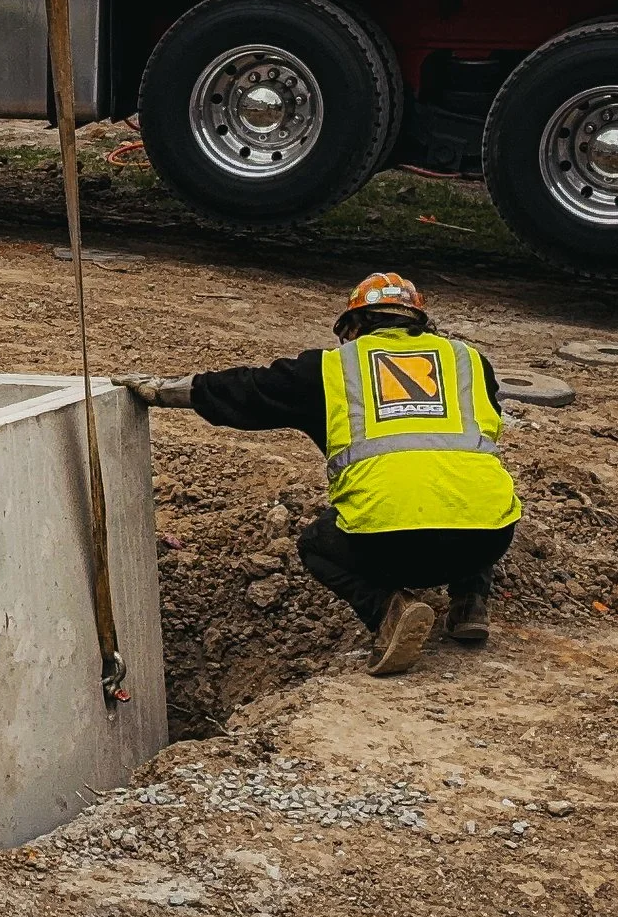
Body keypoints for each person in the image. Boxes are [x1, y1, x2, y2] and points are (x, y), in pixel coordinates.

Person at [117, 273, 522, 677]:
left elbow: (249, 389)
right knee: (470, 492)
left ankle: (388, 610)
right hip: (487, 542)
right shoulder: (470, 361)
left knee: (316, 545)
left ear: (354, 326)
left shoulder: (332, 369)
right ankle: (470, 603)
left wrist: (163, 390)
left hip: (392, 545)